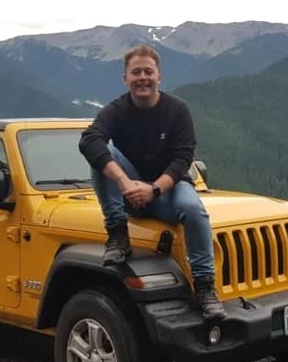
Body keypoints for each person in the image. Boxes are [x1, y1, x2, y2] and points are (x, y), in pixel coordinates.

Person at [79, 44, 225, 320]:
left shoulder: (177, 110)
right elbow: (89, 139)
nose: (142, 77)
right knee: (100, 151)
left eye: (148, 71)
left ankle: (205, 287)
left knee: (194, 210)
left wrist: (154, 188)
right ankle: (118, 235)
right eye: (136, 72)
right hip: (130, 189)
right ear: (126, 78)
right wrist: (124, 182)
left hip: (169, 187)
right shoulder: (117, 110)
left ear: (159, 76)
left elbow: (183, 158)